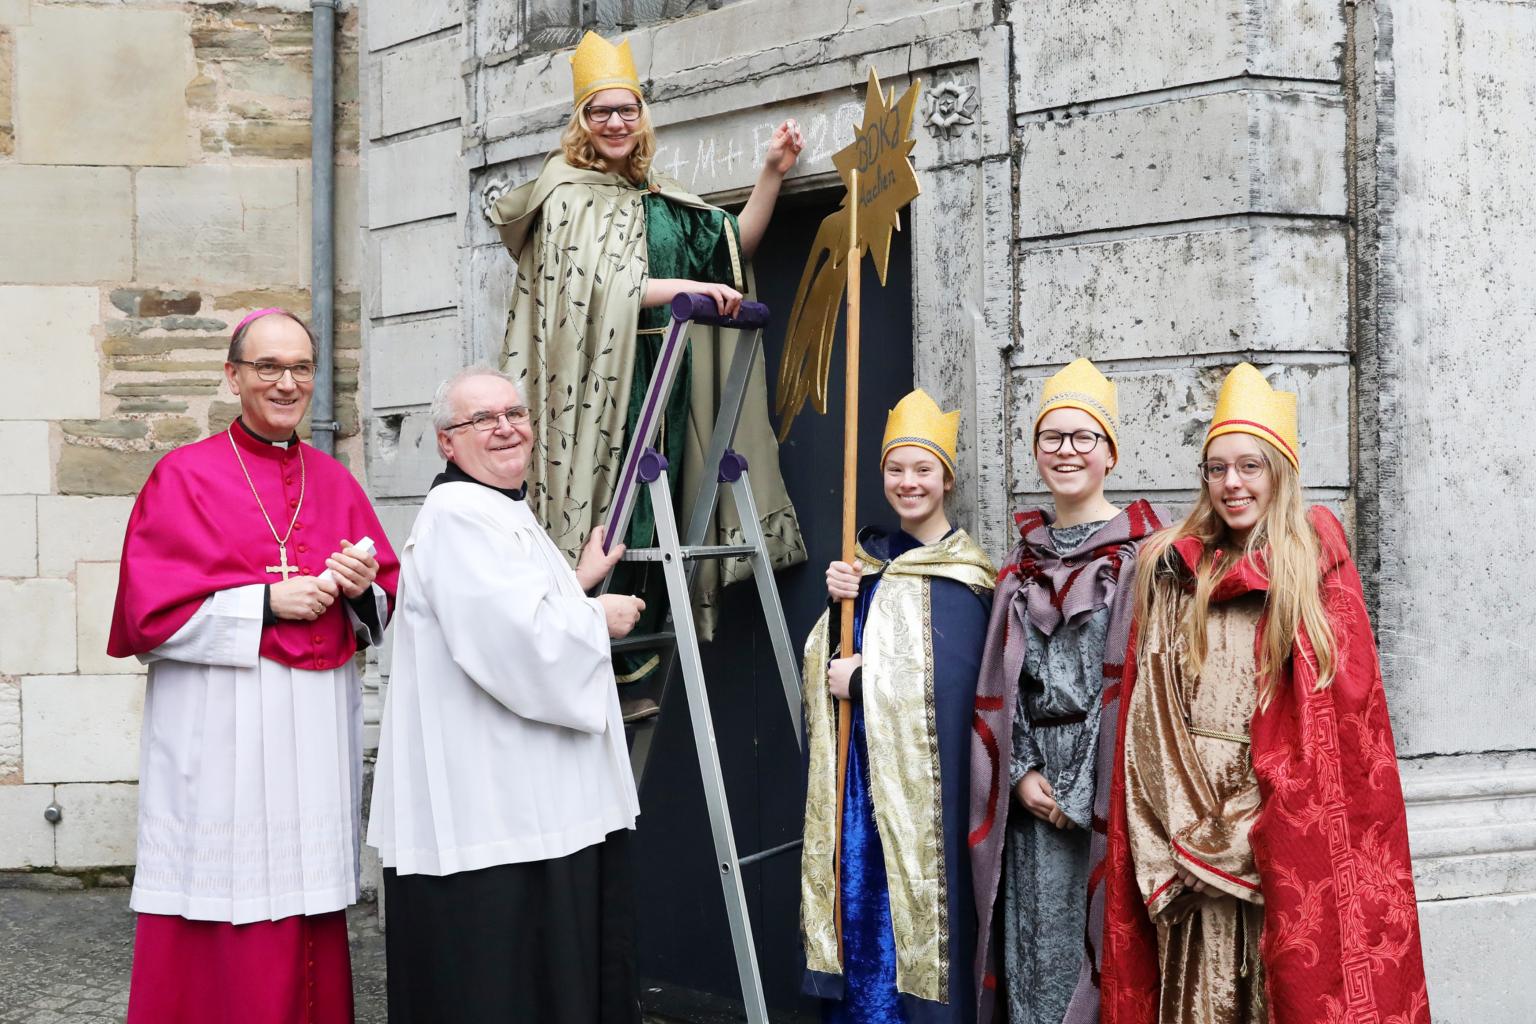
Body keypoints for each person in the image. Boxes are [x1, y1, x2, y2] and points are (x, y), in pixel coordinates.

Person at [1099, 363, 1429, 1024]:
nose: (1231, 484)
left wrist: (1232, 835)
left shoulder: (1316, 574)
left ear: (1279, 470)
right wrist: (1182, 840)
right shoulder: (1173, 572)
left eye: (1249, 466)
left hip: (1271, 825)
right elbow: (1150, 720)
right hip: (1181, 817)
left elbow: (1333, 735)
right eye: (1216, 469)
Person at [486, 31, 807, 699]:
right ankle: (593, 653)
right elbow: (585, 291)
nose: (614, 123)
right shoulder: (565, 196)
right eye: (599, 112)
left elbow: (732, 251)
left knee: (657, 520)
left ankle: (640, 654)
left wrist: (772, 172)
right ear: (581, 120)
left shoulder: (660, 195)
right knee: (612, 520)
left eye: (625, 109)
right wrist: (679, 293)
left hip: (668, 381)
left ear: (642, 115)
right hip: (601, 389)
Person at [108, 308, 400, 1023]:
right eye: (268, 367)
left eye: (301, 367)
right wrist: (265, 604)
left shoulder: (334, 479)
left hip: (310, 739)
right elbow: (148, 618)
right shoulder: (182, 477)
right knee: (220, 905)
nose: (287, 382)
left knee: (303, 903)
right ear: (234, 376)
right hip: (224, 736)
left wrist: (363, 591)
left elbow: (387, 599)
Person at [367, 366, 647, 1024]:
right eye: (481, 420)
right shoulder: (459, 517)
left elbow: (507, 610)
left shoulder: (496, 509)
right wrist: (595, 618)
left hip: (525, 801)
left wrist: (575, 582)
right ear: (445, 443)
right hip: (493, 809)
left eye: (514, 414)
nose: (504, 428)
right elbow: (511, 643)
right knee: (505, 984)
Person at [968, 359, 1164, 1024]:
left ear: (1110, 452)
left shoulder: (1145, 561)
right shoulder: (1019, 567)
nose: (1067, 452)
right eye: (1053, 438)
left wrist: (1083, 789)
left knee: (1103, 960)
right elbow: (1001, 683)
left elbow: (1147, 689)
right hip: (1033, 802)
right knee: (1033, 955)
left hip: (1106, 793)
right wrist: (1019, 772)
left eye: (1084, 438)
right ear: (1034, 452)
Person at [801, 389, 995, 1023]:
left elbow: (951, 698)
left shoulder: (963, 577)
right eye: (895, 469)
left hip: (922, 801)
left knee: (915, 922)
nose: (908, 483)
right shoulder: (867, 564)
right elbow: (828, 664)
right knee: (858, 919)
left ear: (947, 477)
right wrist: (838, 610)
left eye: (922, 469)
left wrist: (862, 686)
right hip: (858, 788)